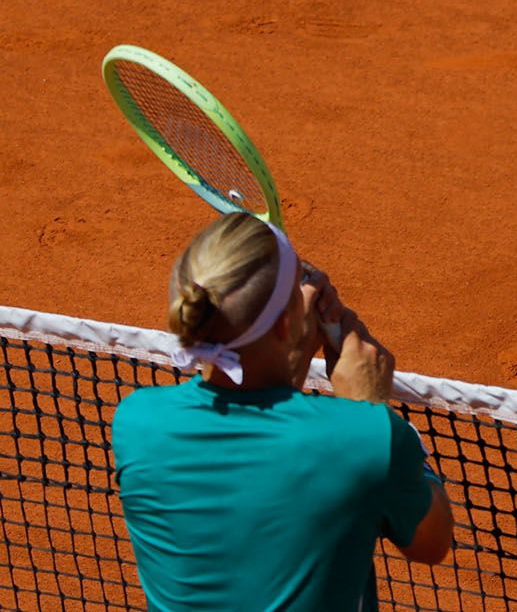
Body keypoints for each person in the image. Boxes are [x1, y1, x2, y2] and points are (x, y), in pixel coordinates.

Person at [112, 212, 454, 609]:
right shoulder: (362, 437)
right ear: (283, 324)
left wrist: (285, 363)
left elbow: (260, 462)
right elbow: (432, 542)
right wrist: (371, 409)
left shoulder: (139, 423)